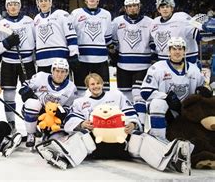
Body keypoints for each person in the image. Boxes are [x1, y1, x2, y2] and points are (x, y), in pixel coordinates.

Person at [36, 73, 193, 174]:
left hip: (119, 144)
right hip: (95, 146)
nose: (96, 86)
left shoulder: (116, 96)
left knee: (139, 137)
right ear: (88, 87)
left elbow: (130, 113)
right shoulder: (80, 102)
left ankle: (168, 158)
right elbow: (70, 119)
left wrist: (132, 124)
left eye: (98, 83)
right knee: (82, 136)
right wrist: (82, 124)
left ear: (103, 83)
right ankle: (63, 157)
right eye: (92, 84)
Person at [140, 37, 206, 139]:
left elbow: (203, 91)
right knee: (157, 104)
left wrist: (204, 91)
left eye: (180, 49)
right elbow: (145, 92)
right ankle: (159, 139)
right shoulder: (157, 68)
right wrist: (167, 97)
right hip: (166, 111)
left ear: (184, 51)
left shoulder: (194, 70)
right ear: (169, 51)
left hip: (185, 111)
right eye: (174, 49)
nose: (177, 52)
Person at [0, 0, 36, 129]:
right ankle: (11, 125)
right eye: (10, 4)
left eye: (15, 4)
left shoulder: (29, 21)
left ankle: (31, 126)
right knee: (9, 95)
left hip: (27, 62)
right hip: (8, 63)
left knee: (30, 95)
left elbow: (36, 42)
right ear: (6, 7)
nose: (13, 6)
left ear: (19, 6)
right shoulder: (1, 24)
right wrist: (7, 43)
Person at [20, 58, 82, 148]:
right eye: (57, 71)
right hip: (38, 113)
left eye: (63, 71)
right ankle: (31, 133)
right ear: (52, 70)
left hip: (54, 118)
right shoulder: (41, 77)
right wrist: (25, 91)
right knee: (32, 103)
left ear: (67, 73)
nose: (59, 74)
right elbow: (25, 85)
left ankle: (47, 134)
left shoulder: (71, 87)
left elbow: (71, 108)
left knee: (55, 140)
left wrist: (62, 111)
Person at [110, 0, 153, 125]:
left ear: (139, 7)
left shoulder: (149, 22)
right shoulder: (117, 22)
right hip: (123, 66)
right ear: (125, 8)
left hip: (143, 66)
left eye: (135, 6)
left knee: (138, 95)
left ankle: (140, 125)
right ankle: (128, 123)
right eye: (130, 6)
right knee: (125, 97)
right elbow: (113, 44)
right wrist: (113, 55)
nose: (133, 8)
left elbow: (154, 44)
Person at [70, 0, 112, 94]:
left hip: (101, 59)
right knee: (80, 91)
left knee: (103, 91)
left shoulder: (106, 15)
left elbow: (108, 38)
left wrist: (112, 51)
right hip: (81, 59)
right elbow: (70, 34)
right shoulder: (76, 13)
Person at [33, 0, 78, 73]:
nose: (43, 3)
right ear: (37, 3)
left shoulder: (62, 14)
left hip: (60, 60)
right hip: (42, 61)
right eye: (41, 1)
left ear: (50, 2)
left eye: (46, 0)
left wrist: (74, 54)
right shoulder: (36, 19)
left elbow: (71, 35)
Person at [150, 0, 200, 64]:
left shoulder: (181, 18)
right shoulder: (154, 23)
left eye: (167, 6)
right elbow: (153, 43)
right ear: (158, 9)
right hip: (164, 62)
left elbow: (198, 35)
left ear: (172, 8)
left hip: (186, 61)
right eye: (162, 7)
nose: (165, 9)